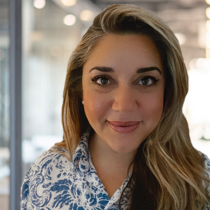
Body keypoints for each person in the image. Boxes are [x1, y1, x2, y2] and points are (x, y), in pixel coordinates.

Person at [21, 4, 210, 210]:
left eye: (145, 81)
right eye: (103, 80)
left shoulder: (200, 180)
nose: (124, 105)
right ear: (79, 89)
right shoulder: (47, 173)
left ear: (169, 91)